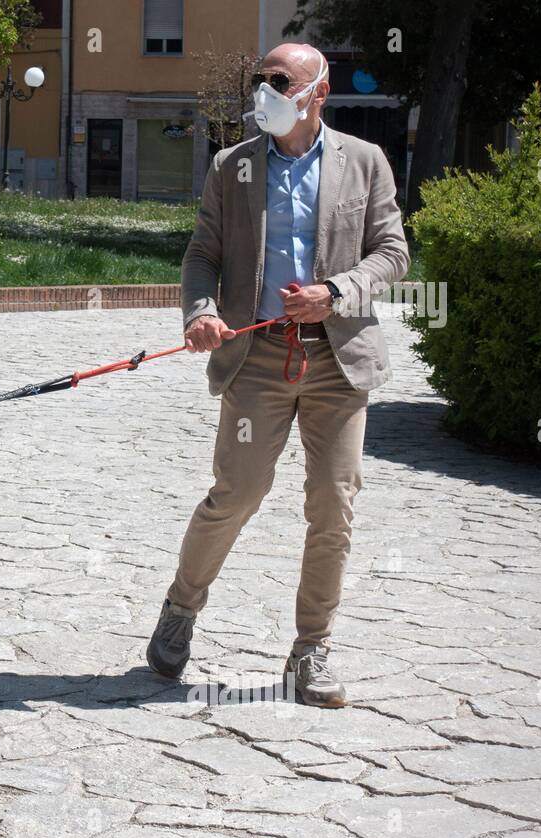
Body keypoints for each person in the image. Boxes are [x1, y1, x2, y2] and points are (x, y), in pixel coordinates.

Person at [147, 43, 410, 707]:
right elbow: (202, 255)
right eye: (260, 79)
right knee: (235, 495)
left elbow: (393, 253)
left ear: (317, 91)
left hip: (338, 362)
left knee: (333, 504)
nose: (265, 90)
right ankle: (180, 609)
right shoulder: (231, 166)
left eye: (279, 81)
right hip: (257, 360)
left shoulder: (367, 163)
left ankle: (311, 650)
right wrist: (201, 312)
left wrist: (338, 290)